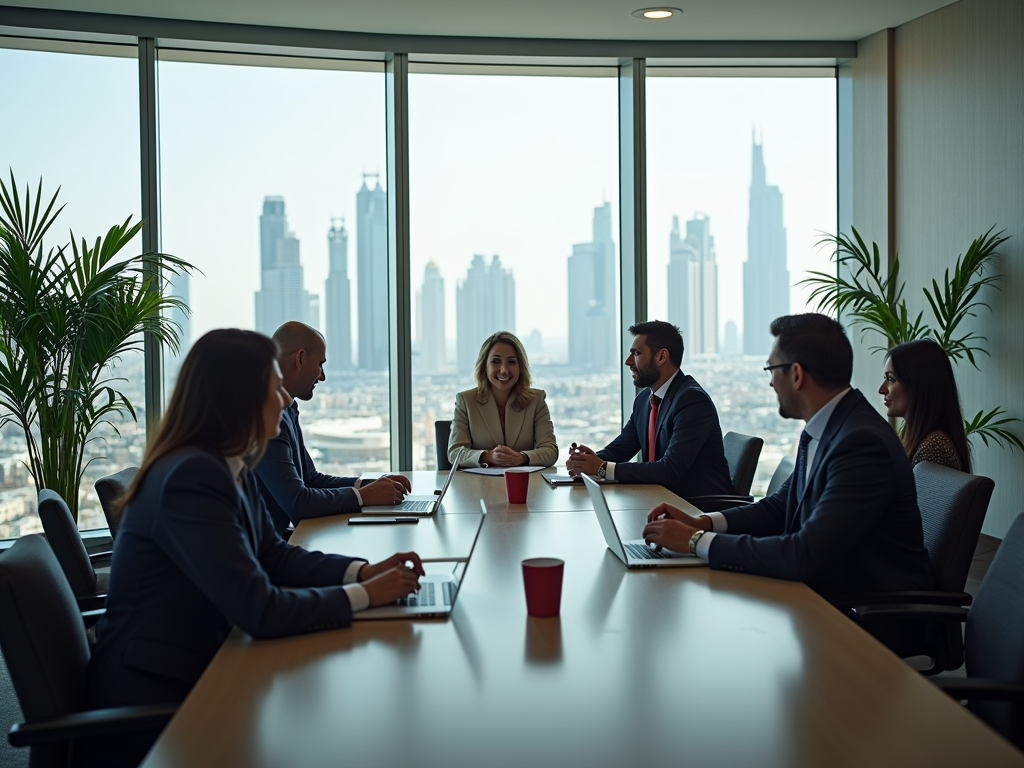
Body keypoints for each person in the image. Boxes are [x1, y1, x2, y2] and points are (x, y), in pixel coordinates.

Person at [82, 329, 423, 767]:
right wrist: (366, 596)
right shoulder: (190, 477)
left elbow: (274, 557)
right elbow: (259, 610)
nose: (285, 400)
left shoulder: (228, 463)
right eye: (275, 387)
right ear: (240, 396)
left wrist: (362, 571)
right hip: (159, 696)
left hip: (210, 659)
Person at [642, 313, 933, 652]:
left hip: (867, 621)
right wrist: (703, 522)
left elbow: (803, 553)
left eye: (771, 370)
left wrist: (695, 541)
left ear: (796, 374)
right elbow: (781, 506)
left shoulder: (861, 443)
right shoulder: (827, 427)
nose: (769, 383)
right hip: (824, 598)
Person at [255, 321, 412, 536]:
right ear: (300, 359)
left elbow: (310, 479)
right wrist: (364, 496)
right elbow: (299, 504)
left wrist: (367, 484)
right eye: (321, 364)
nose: (322, 376)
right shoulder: (269, 417)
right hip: (272, 549)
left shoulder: (287, 409)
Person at [565, 320, 732, 499]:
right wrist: (585, 462)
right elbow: (621, 449)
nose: (628, 362)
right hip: (658, 500)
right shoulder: (645, 399)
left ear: (661, 357)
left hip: (697, 508)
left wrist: (601, 468)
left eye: (636, 353)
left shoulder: (692, 401)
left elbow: (669, 470)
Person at [448, 330, 559, 468]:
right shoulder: (466, 401)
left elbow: (550, 451)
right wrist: (488, 456)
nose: (504, 370)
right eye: (496, 361)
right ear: (484, 366)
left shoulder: (536, 401)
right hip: (479, 485)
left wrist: (522, 458)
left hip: (525, 485)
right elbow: (455, 453)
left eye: (511, 362)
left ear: (520, 367)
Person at [880, 338, 971, 472]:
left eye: (891, 379)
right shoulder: (920, 439)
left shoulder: (934, 447)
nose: (882, 389)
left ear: (917, 386)